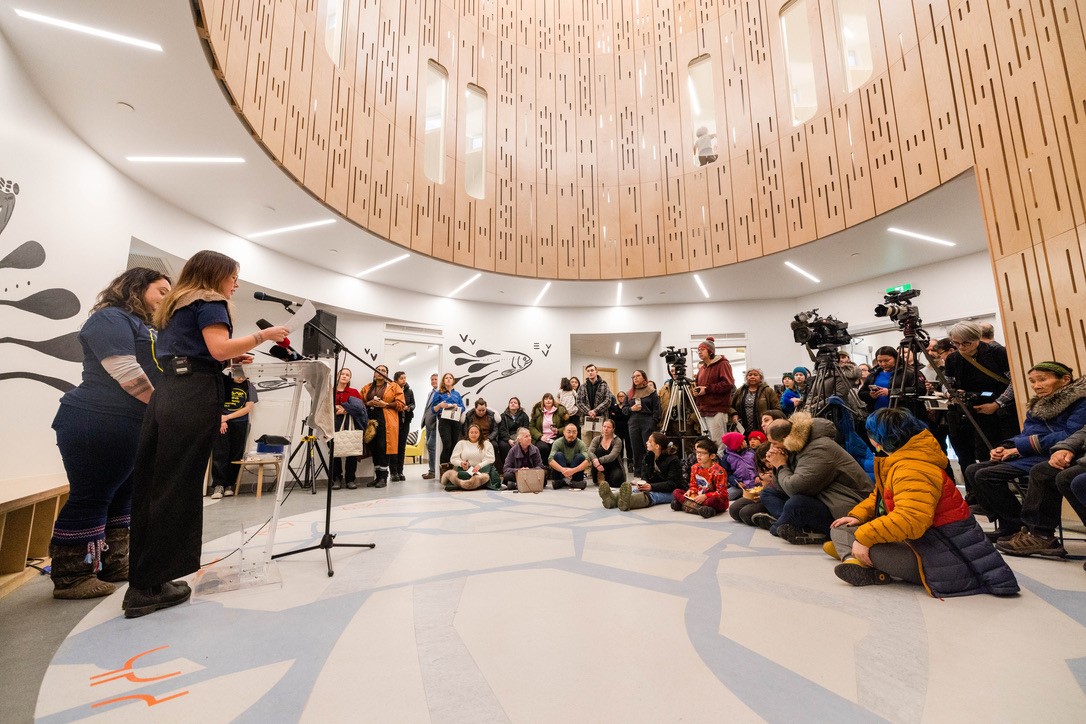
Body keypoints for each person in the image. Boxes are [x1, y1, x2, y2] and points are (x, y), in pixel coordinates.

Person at [126, 250, 288, 618]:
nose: (236, 284)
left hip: (170, 391)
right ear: (217, 275)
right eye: (234, 276)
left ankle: (148, 579)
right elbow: (217, 347)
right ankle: (148, 587)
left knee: (157, 485)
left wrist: (229, 359)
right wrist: (262, 335)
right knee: (178, 489)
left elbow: (198, 351)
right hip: (194, 395)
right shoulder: (211, 300)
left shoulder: (175, 304)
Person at [48, 268, 171, 600]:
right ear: (136, 288)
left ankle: (112, 564)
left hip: (130, 422)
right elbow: (127, 372)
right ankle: (71, 576)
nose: (166, 298)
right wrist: (162, 408)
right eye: (161, 291)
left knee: (122, 497)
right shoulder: (110, 318)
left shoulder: (147, 327)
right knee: (92, 496)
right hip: (96, 418)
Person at [827, 408, 1019, 596]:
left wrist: (863, 538)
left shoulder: (913, 468)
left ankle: (855, 557)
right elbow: (878, 497)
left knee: (862, 541)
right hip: (926, 544)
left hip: (946, 561)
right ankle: (854, 556)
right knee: (842, 528)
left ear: (878, 438)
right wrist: (857, 516)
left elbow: (911, 520)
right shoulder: (901, 459)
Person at [966, 361, 1086, 542]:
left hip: (1059, 452)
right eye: (1032, 381)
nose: (1036, 386)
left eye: (1042, 380)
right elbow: (1027, 433)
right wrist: (1005, 447)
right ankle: (1012, 525)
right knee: (974, 470)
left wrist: (1020, 448)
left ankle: (1034, 531)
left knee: (991, 474)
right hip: (1035, 452)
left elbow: (1069, 434)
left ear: (1065, 380)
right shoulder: (1038, 405)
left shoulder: (1079, 402)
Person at [753, 412, 873, 545]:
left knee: (796, 504)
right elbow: (781, 487)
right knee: (768, 493)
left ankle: (779, 525)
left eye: (774, 443)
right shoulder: (795, 445)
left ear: (785, 439)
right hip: (821, 496)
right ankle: (787, 521)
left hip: (844, 505)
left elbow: (795, 489)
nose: (772, 448)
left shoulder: (819, 448)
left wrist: (781, 465)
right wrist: (778, 466)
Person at [943, 320, 1019, 488]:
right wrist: (950, 392)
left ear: (977, 338)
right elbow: (947, 383)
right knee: (980, 455)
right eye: (956, 343)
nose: (961, 347)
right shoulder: (953, 358)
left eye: (966, 343)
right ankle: (984, 493)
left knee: (1003, 451)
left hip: (1002, 411)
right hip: (971, 412)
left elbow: (1015, 382)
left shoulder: (997, 352)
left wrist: (998, 404)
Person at [1004, 423, 1086, 558]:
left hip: (1044, 450)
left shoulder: (1079, 403)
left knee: (1072, 479)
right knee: (1042, 472)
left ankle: (1013, 526)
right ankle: (1041, 535)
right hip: (1066, 452)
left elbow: (1067, 431)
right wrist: (1064, 448)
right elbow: (1083, 431)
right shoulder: (1038, 407)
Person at [209, 366, 258, 498]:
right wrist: (221, 420)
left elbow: (248, 408)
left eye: (243, 375)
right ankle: (219, 485)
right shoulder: (224, 383)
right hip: (222, 423)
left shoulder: (249, 386)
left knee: (236, 453)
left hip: (239, 423)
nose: (240, 378)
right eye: (237, 374)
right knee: (220, 452)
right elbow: (216, 403)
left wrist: (228, 417)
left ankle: (230, 484)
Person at [600, 432, 683, 510]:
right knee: (635, 490)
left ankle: (627, 502)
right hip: (654, 486)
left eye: (649, 441)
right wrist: (643, 485)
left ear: (657, 446)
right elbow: (645, 475)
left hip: (672, 491)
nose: (646, 442)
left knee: (653, 496)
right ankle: (611, 499)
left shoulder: (673, 460)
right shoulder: (649, 456)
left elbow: (673, 484)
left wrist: (651, 486)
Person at [360, 364, 406, 488]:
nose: (380, 372)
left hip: (386, 422)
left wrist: (384, 404)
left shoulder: (394, 386)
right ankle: (377, 476)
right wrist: (368, 403)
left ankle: (383, 478)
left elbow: (401, 404)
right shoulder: (367, 387)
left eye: (383, 370)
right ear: (374, 373)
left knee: (383, 448)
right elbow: (360, 403)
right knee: (373, 448)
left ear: (386, 374)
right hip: (370, 422)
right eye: (378, 370)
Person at [671, 437, 728, 518]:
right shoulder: (695, 467)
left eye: (703, 453)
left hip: (710, 499)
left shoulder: (719, 471)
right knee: (676, 492)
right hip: (698, 497)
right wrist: (690, 491)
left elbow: (722, 493)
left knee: (713, 500)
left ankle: (686, 506)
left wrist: (706, 496)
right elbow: (693, 485)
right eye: (697, 452)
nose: (699, 455)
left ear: (712, 456)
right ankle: (702, 510)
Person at [693, 336, 735, 443]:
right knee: (706, 443)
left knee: (718, 443)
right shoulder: (702, 368)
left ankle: (720, 460)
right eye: (698, 350)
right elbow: (699, 386)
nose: (699, 352)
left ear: (710, 351)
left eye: (702, 349)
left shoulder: (722, 364)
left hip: (716, 410)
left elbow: (728, 384)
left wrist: (707, 389)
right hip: (703, 410)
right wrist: (696, 391)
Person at [330, 367, 367, 490]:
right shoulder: (330, 391)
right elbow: (323, 407)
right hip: (333, 424)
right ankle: (337, 479)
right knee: (335, 453)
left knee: (351, 452)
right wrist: (335, 408)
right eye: (342, 374)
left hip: (351, 424)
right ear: (337, 375)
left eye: (347, 375)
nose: (344, 376)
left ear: (350, 378)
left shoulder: (353, 392)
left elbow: (360, 409)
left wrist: (345, 409)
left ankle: (350, 479)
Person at [624, 370, 660, 478]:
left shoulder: (651, 391)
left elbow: (657, 410)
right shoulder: (629, 393)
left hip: (647, 421)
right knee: (636, 448)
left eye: (638, 376)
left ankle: (649, 472)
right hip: (633, 422)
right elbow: (624, 410)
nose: (635, 378)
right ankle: (638, 472)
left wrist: (652, 422)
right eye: (633, 376)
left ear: (644, 378)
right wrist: (631, 408)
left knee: (648, 448)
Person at [441, 423, 498, 491]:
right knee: (462, 474)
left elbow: (490, 459)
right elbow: (453, 459)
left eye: (476, 432)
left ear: (480, 433)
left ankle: (473, 482)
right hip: (465, 469)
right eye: (471, 432)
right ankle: (473, 483)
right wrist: (461, 463)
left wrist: (479, 466)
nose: (473, 434)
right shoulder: (461, 443)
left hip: (482, 469)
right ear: (468, 433)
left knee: (487, 473)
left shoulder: (487, 443)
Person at [730, 368, 780, 438]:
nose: (752, 377)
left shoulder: (768, 391)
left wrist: (769, 419)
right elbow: (730, 406)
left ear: (761, 378)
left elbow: (777, 409)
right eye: (750, 375)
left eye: (755, 375)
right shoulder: (740, 391)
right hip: (743, 427)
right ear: (746, 377)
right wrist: (734, 414)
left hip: (762, 427)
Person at [432, 372, 465, 469]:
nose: (448, 379)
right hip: (444, 421)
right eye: (446, 378)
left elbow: (463, 408)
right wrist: (440, 405)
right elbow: (433, 410)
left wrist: (456, 406)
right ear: (443, 380)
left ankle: (452, 468)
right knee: (447, 444)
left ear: (453, 380)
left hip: (455, 421)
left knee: (454, 445)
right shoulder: (438, 393)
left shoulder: (457, 394)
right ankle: (444, 470)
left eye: (450, 377)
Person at [548, 422, 594, 489]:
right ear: (564, 432)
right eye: (569, 432)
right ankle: (572, 483)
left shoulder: (581, 443)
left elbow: (587, 461)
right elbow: (550, 460)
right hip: (561, 472)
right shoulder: (557, 442)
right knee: (558, 455)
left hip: (575, 473)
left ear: (577, 433)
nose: (571, 434)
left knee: (580, 457)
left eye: (574, 432)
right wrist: (563, 470)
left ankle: (563, 482)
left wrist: (573, 471)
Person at [577, 363, 612, 443]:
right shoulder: (582, 387)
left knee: (599, 444)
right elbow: (578, 402)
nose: (590, 372)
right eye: (588, 371)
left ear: (596, 371)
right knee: (586, 445)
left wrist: (595, 411)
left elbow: (608, 401)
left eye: (592, 370)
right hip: (586, 420)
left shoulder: (604, 385)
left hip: (600, 420)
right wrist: (589, 411)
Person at [390, 371, 414, 482]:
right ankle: (393, 472)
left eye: (405, 378)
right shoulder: (392, 390)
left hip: (406, 422)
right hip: (394, 422)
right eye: (401, 378)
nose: (404, 380)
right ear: (396, 380)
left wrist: (408, 407)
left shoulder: (409, 391)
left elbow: (413, 404)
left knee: (401, 447)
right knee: (393, 447)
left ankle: (400, 471)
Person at [718, 431, 757, 501]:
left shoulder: (751, 452)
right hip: (742, 486)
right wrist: (737, 482)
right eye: (743, 440)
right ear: (736, 444)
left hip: (756, 482)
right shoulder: (727, 458)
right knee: (726, 496)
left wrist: (758, 476)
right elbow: (728, 474)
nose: (745, 441)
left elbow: (758, 466)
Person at [529, 392, 568, 460]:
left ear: (553, 401)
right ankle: (544, 466)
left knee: (557, 447)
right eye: (546, 399)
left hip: (556, 437)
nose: (548, 400)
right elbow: (531, 427)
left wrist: (558, 431)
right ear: (543, 401)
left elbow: (567, 427)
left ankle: (555, 467)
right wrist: (540, 436)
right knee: (542, 448)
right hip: (542, 438)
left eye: (550, 399)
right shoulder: (537, 411)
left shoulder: (560, 411)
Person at [589, 418, 626, 488]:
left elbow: (613, 456)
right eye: (604, 426)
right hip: (599, 466)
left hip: (613, 465)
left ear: (613, 429)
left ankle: (606, 479)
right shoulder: (597, 439)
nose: (606, 429)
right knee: (599, 450)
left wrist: (599, 460)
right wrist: (596, 462)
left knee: (617, 481)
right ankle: (599, 475)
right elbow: (590, 452)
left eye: (609, 427)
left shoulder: (617, 441)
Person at [496, 396, 530, 464]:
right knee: (503, 446)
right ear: (508, 405)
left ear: (518, 406)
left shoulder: (524, 415)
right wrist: (509, 440)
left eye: (515, 403)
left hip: (519, 437)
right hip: (506, 437)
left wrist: (519, 439)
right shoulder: (503, 416)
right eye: (511, 402)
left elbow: (526, 428)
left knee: (523, 444)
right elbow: (502, 430)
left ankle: (520, 466)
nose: (513, 404)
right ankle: (506, 466)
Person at [421, 373, 439, 479]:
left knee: (431, 445)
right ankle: (431, 470)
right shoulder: (430, 393)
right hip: (428, 424)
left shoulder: (440, 393)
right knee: (429, 446)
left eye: (435, 379)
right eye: (432, 379)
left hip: (435, 424)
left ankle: (433, 471)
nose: (433, 381)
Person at [610, 390, 632, 469]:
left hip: (628, 428)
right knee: (620, 446)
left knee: (629, 446)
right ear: (617, 398)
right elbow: (613, 417)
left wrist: (617, 415)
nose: (621, 398)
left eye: (623, 396)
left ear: (626, 397)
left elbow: (626, 416)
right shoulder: (614, 407)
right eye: (619, 396)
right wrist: (618, 415)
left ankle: (630, 463)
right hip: (618, 429)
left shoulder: (628, 407)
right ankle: (620, 463)